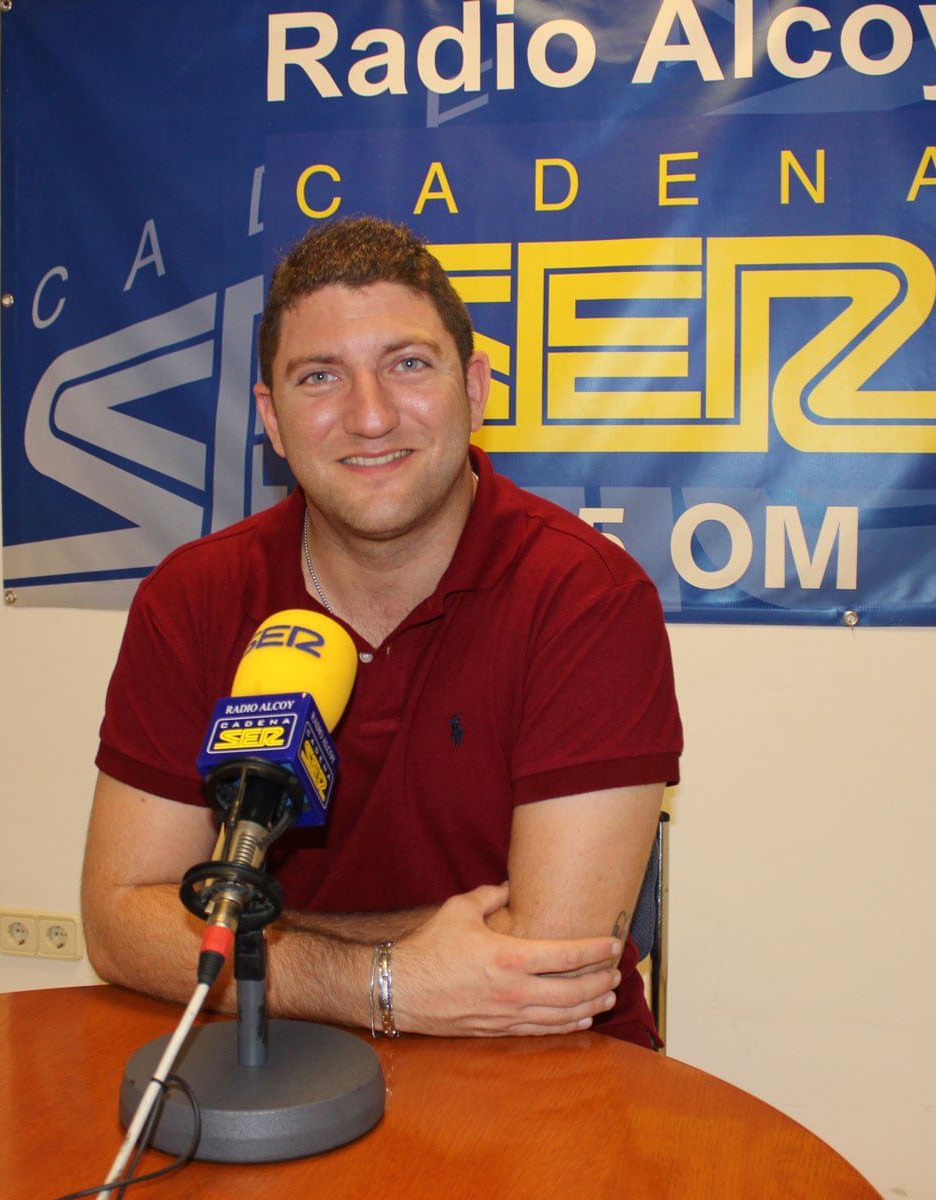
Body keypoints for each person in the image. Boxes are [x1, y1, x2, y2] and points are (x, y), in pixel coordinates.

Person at [82, 216, 682, 1047]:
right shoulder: (192, 596)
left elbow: (549, 965)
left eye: (407, 365)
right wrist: (385, 981)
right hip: (274, 1060)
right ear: (271, 416)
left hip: (540, 1076)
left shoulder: (586, 596)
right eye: (320, 376)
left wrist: (256, 933)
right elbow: (118, 923)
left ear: (472, 389)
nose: (369, 417)